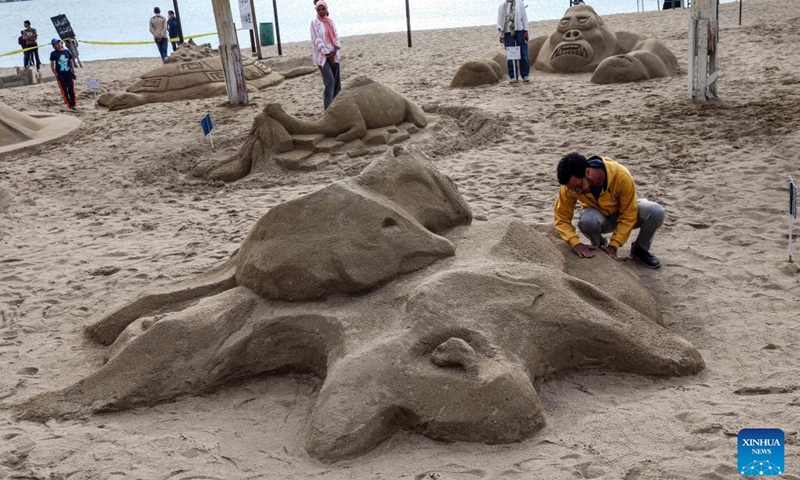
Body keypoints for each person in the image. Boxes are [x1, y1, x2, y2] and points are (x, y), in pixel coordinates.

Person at [553, 153, 665, 268]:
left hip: (625, 212)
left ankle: (640, 249)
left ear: (587, 171)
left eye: (579, 186)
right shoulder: (570, 187)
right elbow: (561, 218)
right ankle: (599, 246)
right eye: (573, 190)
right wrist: (575, 243)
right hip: (600, 217)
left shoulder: (621, 175)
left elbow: (628, 215)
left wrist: (614, 245)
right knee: (587, 221)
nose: (577, 192)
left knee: (656, 211)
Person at [310, 0, 341, 110]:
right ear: (316, 10)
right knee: (330, 81)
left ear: (327, 9)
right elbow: (317, 40)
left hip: (334, 54)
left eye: (323, 9)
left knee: (337, 82)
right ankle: (328, 108)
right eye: (319, 9)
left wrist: (335, 49)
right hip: (323, 57)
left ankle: (337, 106)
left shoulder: (330, 22)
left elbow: (336, 36)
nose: (321, 11)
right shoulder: (314, 23)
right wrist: (328, 54)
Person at [497, 0, 530, 83]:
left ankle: (525, 75)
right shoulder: (502, 6)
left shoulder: (519, 3)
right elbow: (500, 21)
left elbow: (524, 17)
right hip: (507, 32)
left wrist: (526, 30)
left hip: (519, 30)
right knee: (511, 55)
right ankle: (513, 77)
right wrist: (501, 35)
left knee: (523, 53)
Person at [49, 39, 77, 110]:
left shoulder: (66, 51)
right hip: (60, 74)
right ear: (54, 46)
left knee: (71, 89)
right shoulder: (53, 54)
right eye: (56, 44)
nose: (58, 45)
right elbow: (52, 66)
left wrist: (73, 70)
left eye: (59, 43)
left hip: (68, 72)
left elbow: (71, 61)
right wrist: (56, 74)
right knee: (64, 90)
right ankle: (69, 104)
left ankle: (73, 103)